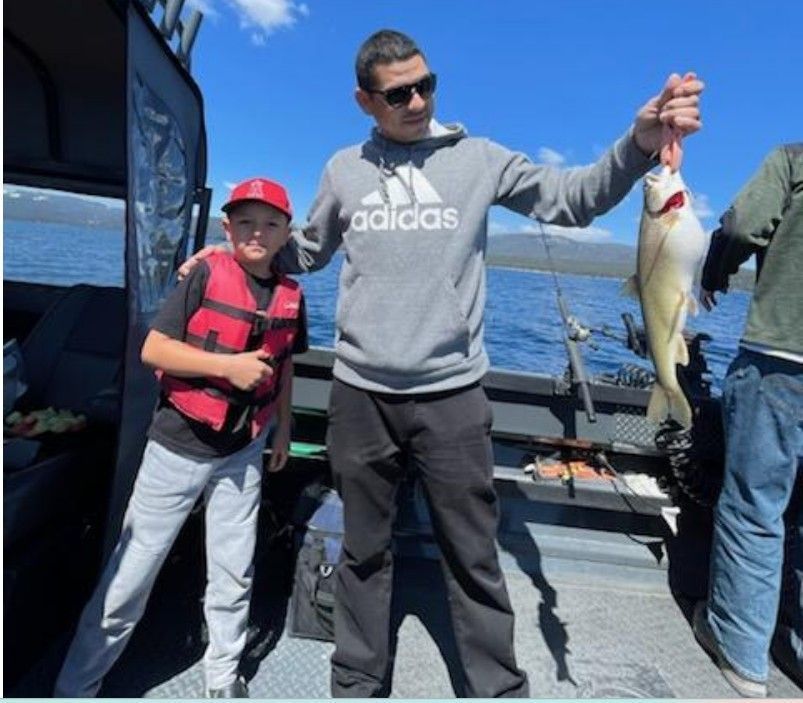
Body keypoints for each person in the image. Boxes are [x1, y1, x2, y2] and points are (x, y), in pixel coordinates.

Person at [181, 30, 704, 697]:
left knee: (473, 554)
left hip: (452, 396)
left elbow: (575, 198)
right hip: (361, 393)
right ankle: (356, 679)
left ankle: (496, 688)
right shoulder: (344, 168)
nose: (418, 100)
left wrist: (637, 144)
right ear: (365, 100)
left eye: (426, 84)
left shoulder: (477, 159)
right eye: (398, 92)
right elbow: (303, 250)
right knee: (362, 551)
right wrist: (225, 259)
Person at [54, 177, 309, 698]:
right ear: (226, 227)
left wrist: (283, 426)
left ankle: (222, 677)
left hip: (245, 453)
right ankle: (75, 686)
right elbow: (154, 350)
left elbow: (282, 368)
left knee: (234, 571)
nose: (256, 232)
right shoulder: (203, 274)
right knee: (131, 575)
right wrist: (226, 366)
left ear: (287, 232)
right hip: (177, 448)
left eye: (269, 223)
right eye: (245, 222)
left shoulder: (290, 295)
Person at [693, 144, 803, 698]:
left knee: (755, 506)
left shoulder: (794, 158)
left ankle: (740, 650)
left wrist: (713, 273)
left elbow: (741, 227)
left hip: (783, 361)